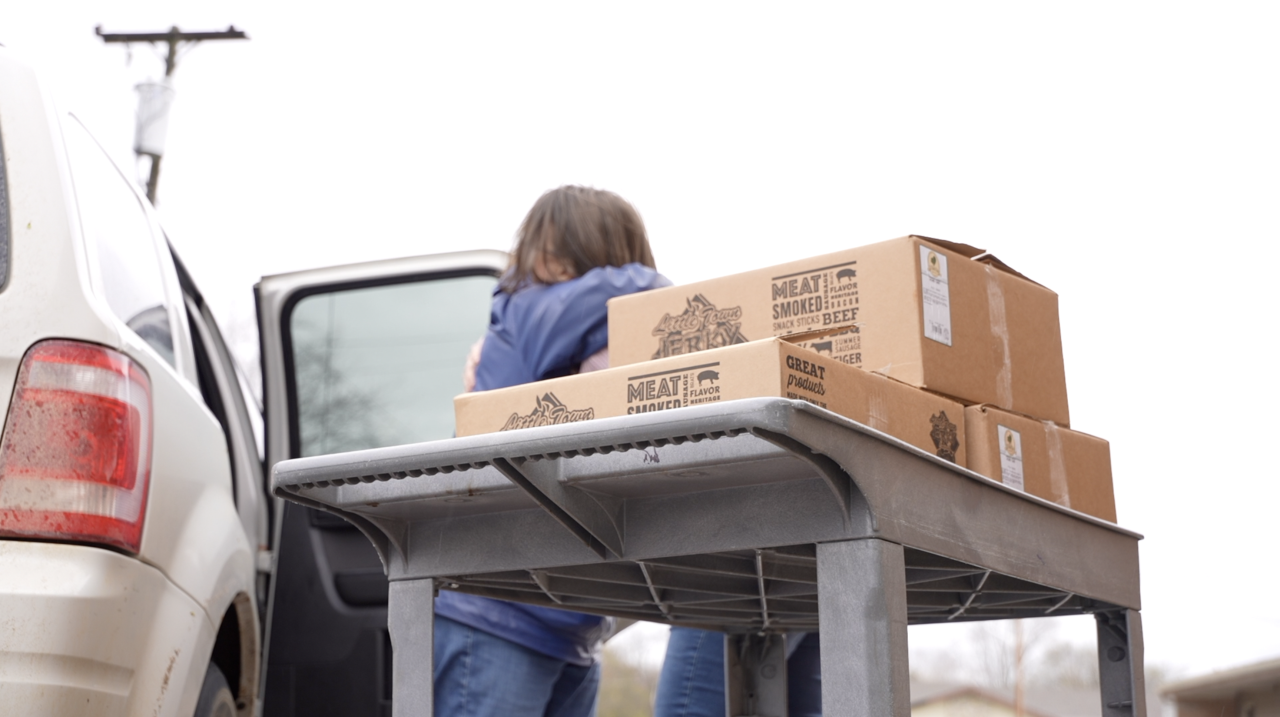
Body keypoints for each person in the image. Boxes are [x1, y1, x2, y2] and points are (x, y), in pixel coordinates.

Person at [437, 185, 671, 717]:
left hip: (567, 617)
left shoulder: (576, 326)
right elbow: (658, 296)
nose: (540, 262)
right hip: (499, 609)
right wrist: (649, 286)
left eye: (554, 247)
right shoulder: (537, 312)